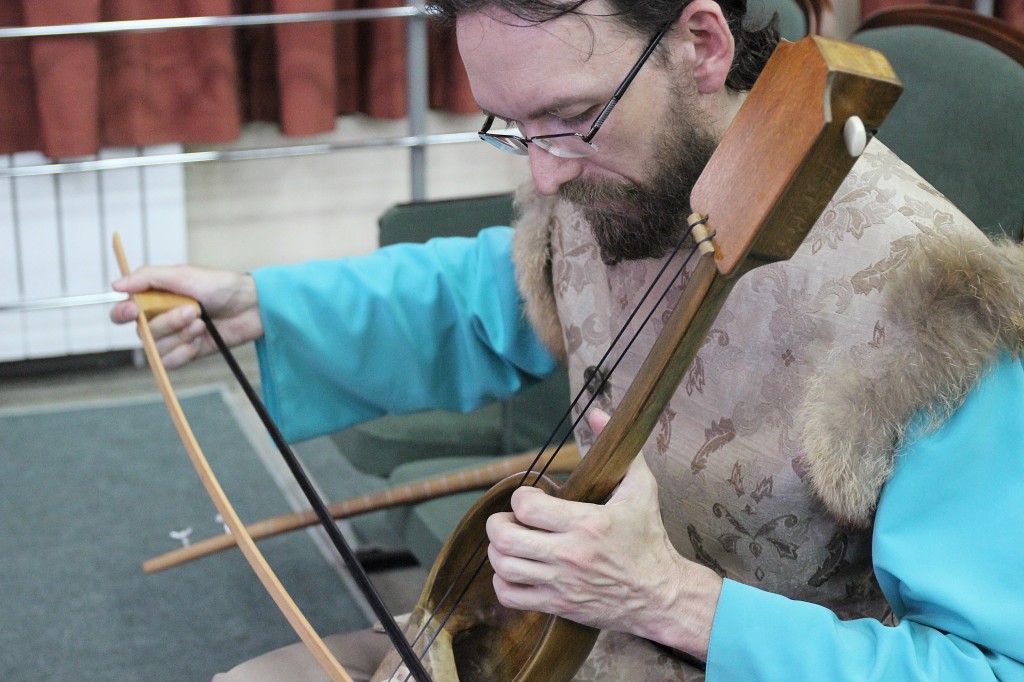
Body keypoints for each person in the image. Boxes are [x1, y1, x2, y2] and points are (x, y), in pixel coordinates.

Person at [111, 1, 1024, 680]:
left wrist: (670, 600)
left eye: (569, 118)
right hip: (567, 644)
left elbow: (987, 667)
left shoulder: (936, 316)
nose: (545, 172)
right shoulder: (625, 173)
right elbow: (487, 288)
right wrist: (263, 304)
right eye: (515, 128)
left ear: (700, 44)